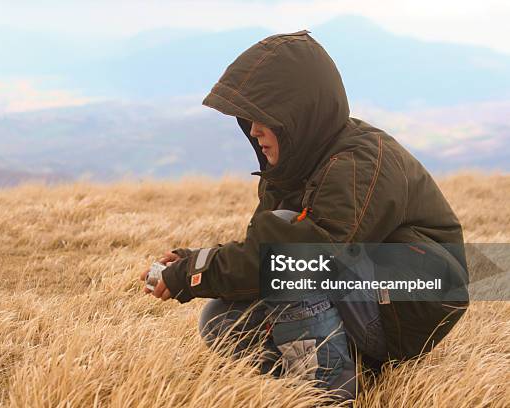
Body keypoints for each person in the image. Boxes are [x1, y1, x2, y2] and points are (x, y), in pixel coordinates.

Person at [139, 29, 469, 400]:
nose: (253, 129)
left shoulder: (356, 162)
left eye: (263, 117)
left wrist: (192, 273)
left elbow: (296, 256)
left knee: (293, 257)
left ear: (296, 115)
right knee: (221, 319)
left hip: (416, 301)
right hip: (367, 290)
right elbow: (258, 253)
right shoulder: (295, 164)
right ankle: (329, 372)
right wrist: (194, 262)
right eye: (248, 118)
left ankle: (329, 392)